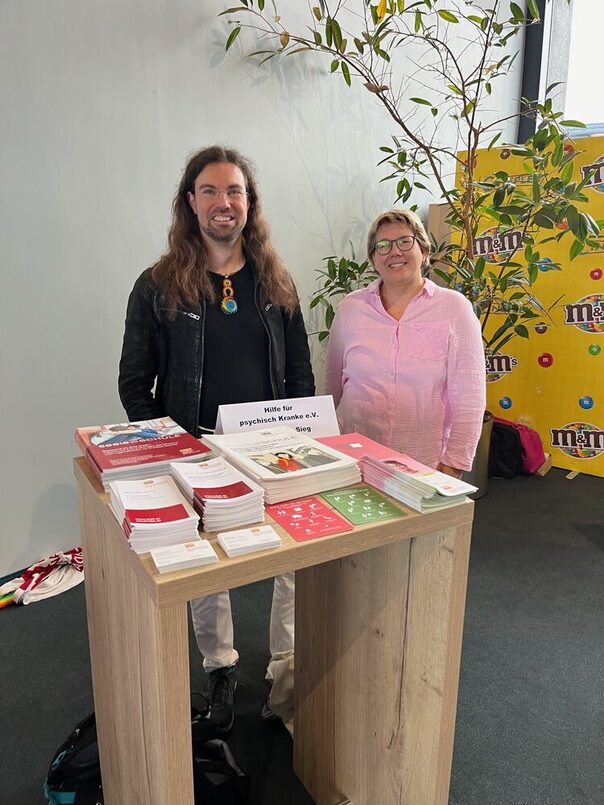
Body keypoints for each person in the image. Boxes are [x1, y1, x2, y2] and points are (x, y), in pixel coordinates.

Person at [118, 145, 315, 732]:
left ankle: (285, 663)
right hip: (195, 447)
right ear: (190, 202)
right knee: (206, 564)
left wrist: (304, 431)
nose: (223, 202)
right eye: (210, 191)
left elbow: (300, 370)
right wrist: (166, 448)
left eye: (235, 191)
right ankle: (221, 667)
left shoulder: (276, 281)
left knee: (293, 557)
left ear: (249, 204)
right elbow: (134, 382)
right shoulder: (156, 286)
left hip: (270, 443)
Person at [324, 208, 485, 479]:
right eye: (382, 246)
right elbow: (332, 386)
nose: (394, 252)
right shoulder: (349, 309)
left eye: (404, 242)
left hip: (424, 466)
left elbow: (470, 396)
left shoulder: (454, 309)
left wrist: (453, 466)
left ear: (424, 250)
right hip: (351, 460)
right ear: (373, 259)